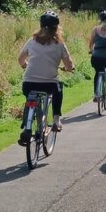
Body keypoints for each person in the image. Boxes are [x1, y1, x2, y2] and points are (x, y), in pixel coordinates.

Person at [18, 10, 74, 146]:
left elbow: (20, 59)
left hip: (28, 83)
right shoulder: (59, 44)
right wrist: (68, 69)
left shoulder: (32, 41)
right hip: (49, 84)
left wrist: (26, 66)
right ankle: (56, 120)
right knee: (58, 88)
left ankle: (27, 125)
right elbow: (69, 65)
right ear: (56, 27)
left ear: (41, 26)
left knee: (30, 97)